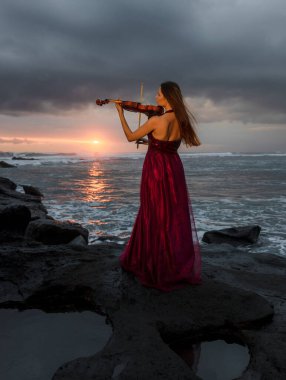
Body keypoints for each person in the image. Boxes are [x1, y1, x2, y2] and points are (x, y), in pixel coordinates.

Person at [115, 81, 202, 292]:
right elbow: (168, 144)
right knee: (170, 215)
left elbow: (129, 137)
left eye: (159, 93)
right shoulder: (181, 120)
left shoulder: (156, 120)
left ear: (167, 97)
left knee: (152, 213)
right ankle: (172, 262)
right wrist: (151, 141)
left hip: (156, 169)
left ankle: (153, 263)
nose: (155, 97)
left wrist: (120, 112)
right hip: (173, 168)